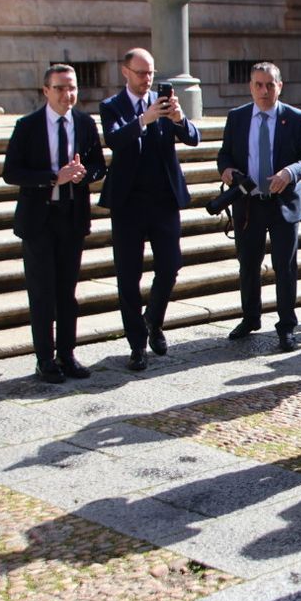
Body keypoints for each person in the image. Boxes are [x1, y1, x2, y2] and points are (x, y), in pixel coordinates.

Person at [2, 65, 107, 383]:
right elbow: (11, 172)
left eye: (72, 88)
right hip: (39, 220)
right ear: (46, 91)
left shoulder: (85, 123)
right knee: (42, 292)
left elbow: (98, 166)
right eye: (60, 88)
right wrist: (52, 178)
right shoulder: (28, 126)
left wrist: (82, 174)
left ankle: (67, 354)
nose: (68, 95)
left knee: (67, 292)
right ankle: (44, 358)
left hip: (72, 217)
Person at [98, 48, 199, 372]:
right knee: (128, 276)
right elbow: (114, 140)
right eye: (141, 73)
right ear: (125, 71)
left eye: (151, 73)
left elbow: (193, 138)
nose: (147, 80)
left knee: (170, 266)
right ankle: (137, 344)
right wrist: (144, 119)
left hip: (163, 201)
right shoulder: (112, 106)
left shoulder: (166, 103)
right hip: (128, 204)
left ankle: (153, 320)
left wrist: (179, 119)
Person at [217, 62, 301, 352]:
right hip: (248, 205)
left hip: (283, 203)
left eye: (269, 85)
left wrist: (289, 173)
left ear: (279, 87)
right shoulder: (237, 118)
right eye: (258, 85)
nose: (264, 91)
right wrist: (227, 171)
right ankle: (250, 318)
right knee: (248, 264)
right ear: (250, 86)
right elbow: (224, 156)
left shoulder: (297, 118)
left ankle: (287, 327)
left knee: (284, 267)